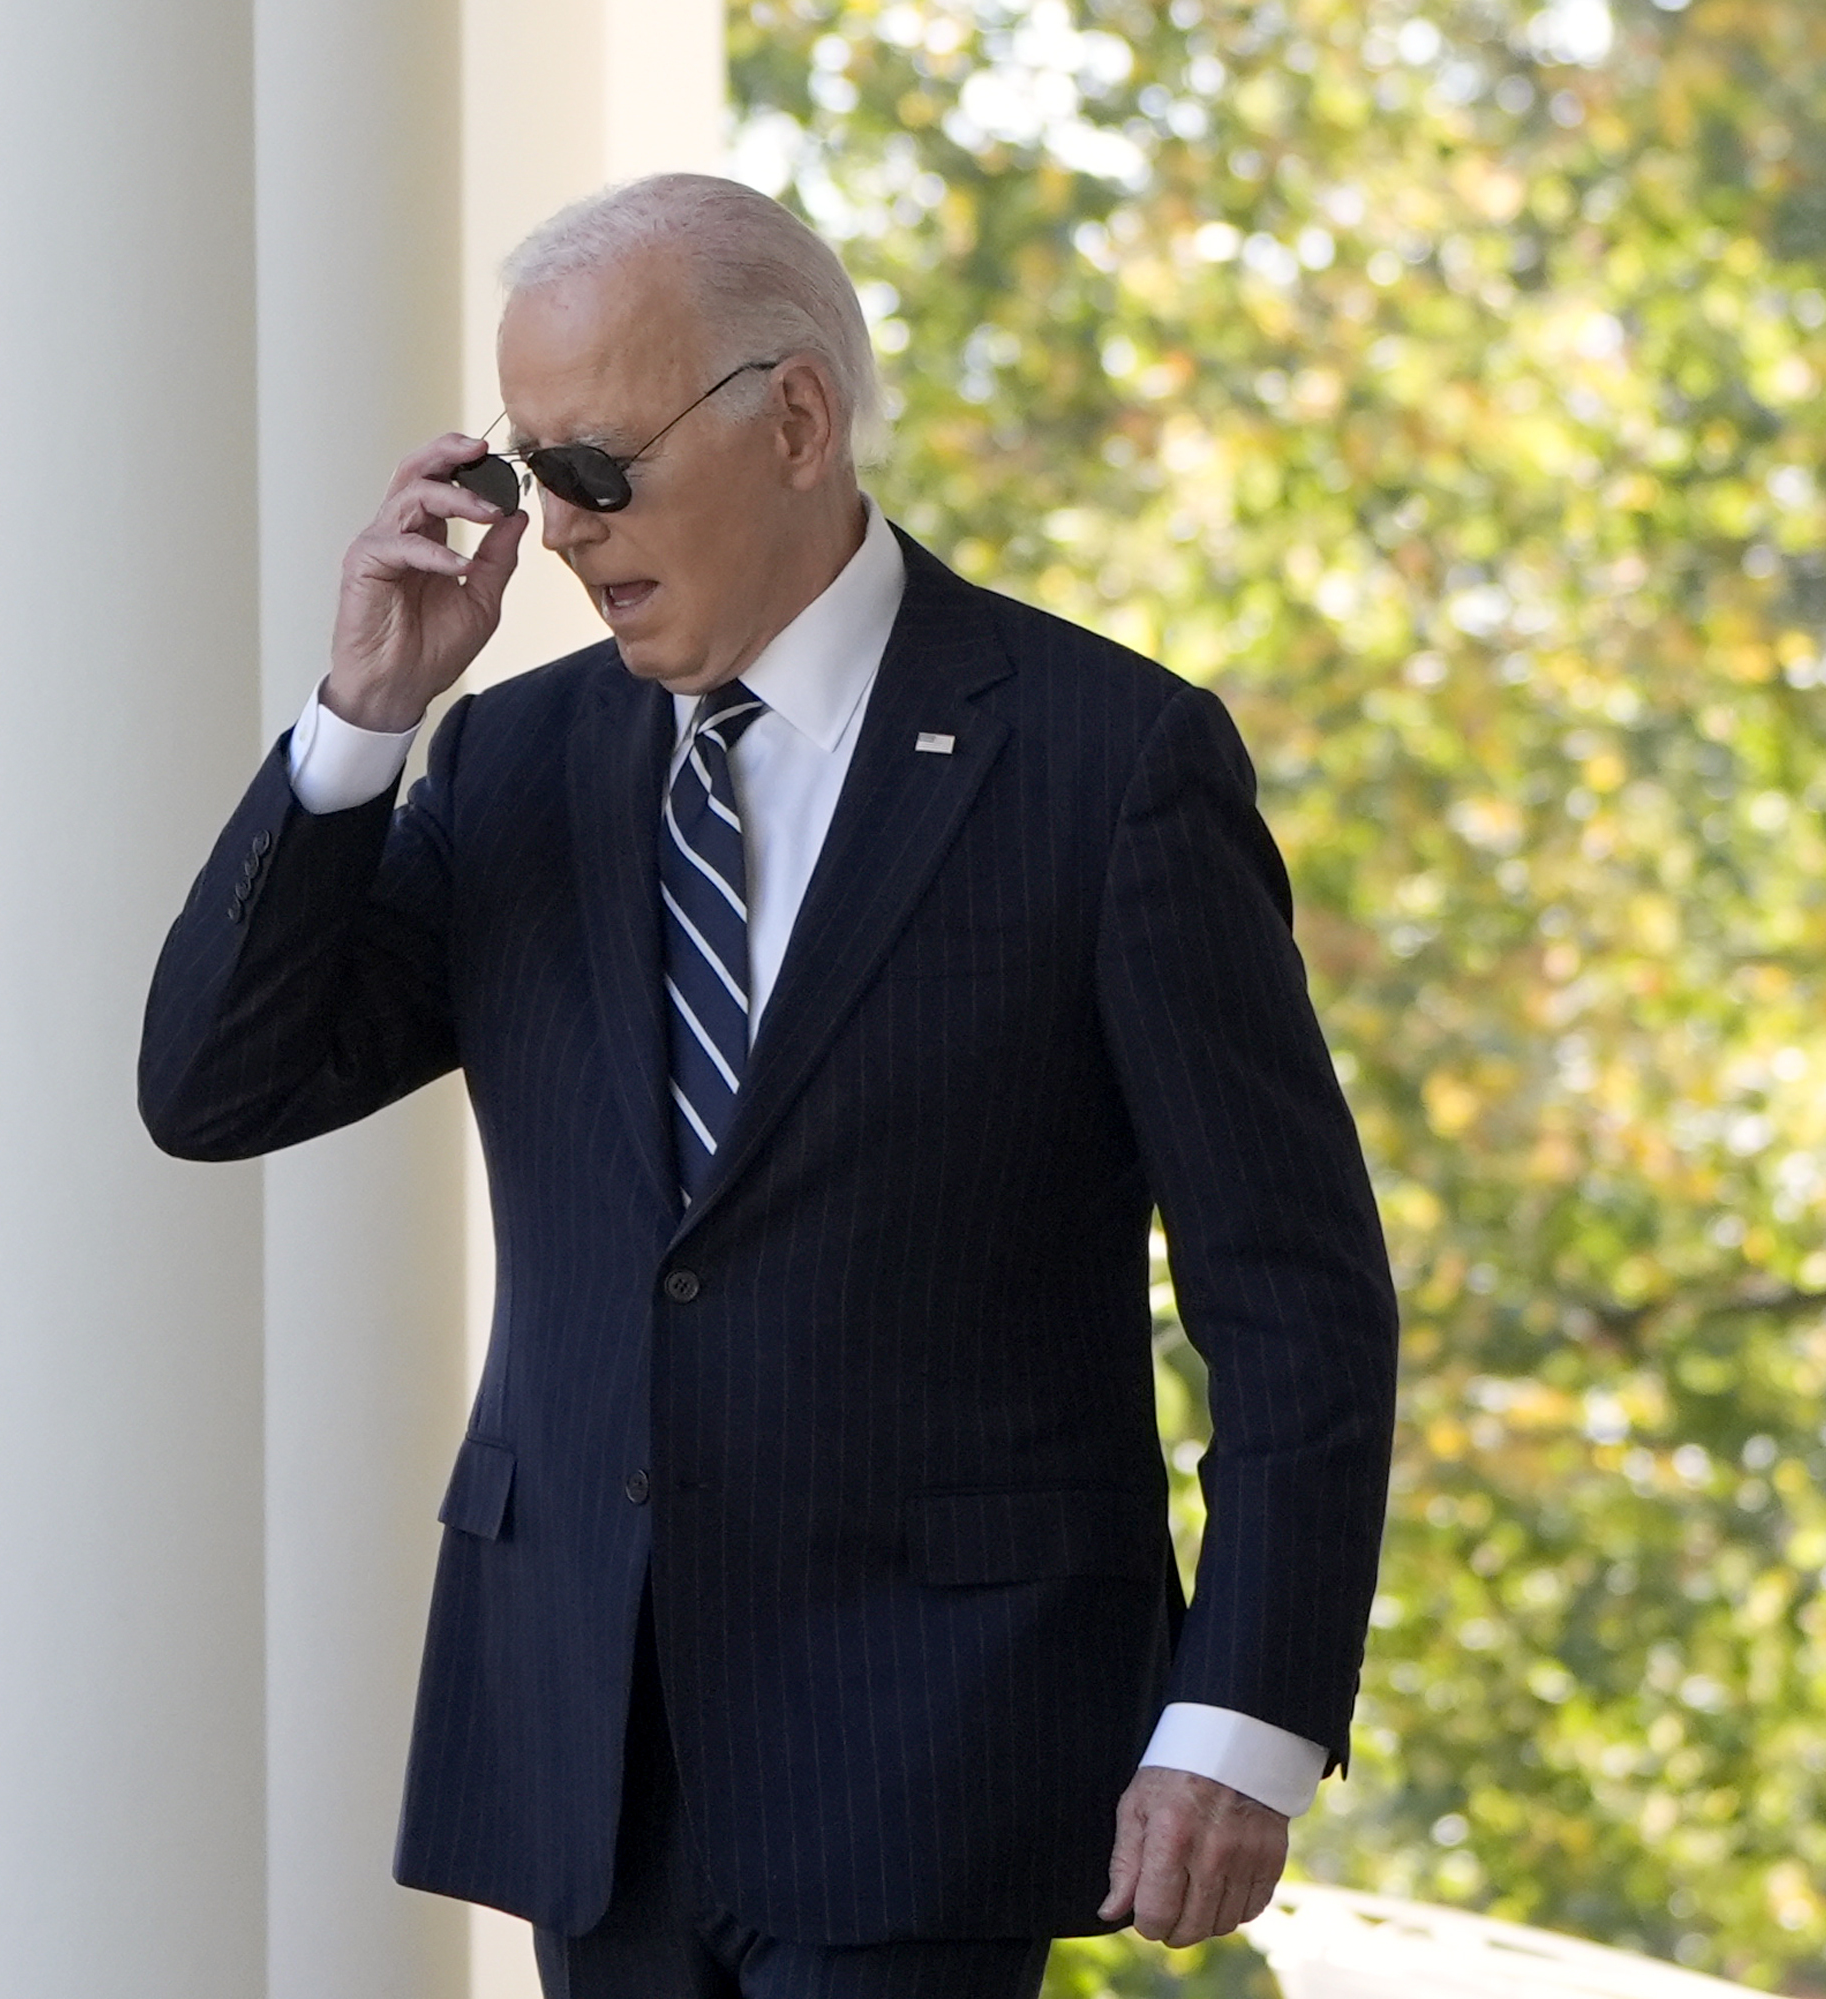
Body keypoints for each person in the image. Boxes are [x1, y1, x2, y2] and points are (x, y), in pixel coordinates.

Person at [140, 173, 1399, 1999]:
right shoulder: (514, 765)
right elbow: (217, 1084)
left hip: (940, 1744)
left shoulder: (1106, 764)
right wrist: (362, 721)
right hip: (592, 1734)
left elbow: (1293, 1295)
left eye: (596, 470)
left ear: (795, 417)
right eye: (525, 477)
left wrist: (1244, 1720)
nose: (559, 535)